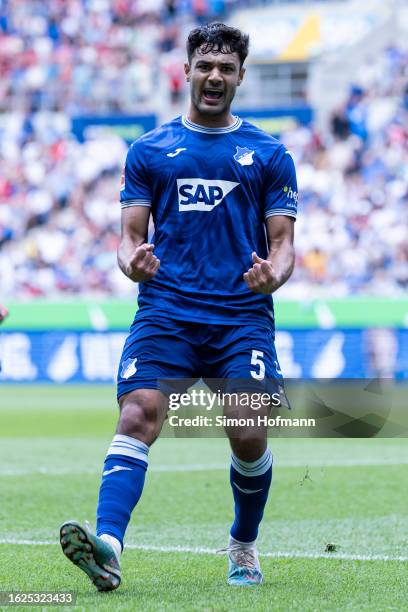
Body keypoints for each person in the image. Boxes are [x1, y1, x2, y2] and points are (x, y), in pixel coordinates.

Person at [60, 22, 298, 590]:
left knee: (247, 430)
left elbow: (285, 245)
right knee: (138, 413)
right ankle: (108, 547)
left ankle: (243, 543)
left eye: (226, 68)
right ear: (186, 69)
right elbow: (128, 237)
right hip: (166, 311)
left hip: (240, 316)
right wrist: (130, 263)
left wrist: (273, 276)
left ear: (240, 77)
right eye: (205, 65)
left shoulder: (270, 153)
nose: (214, 76)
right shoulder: (149, 150)